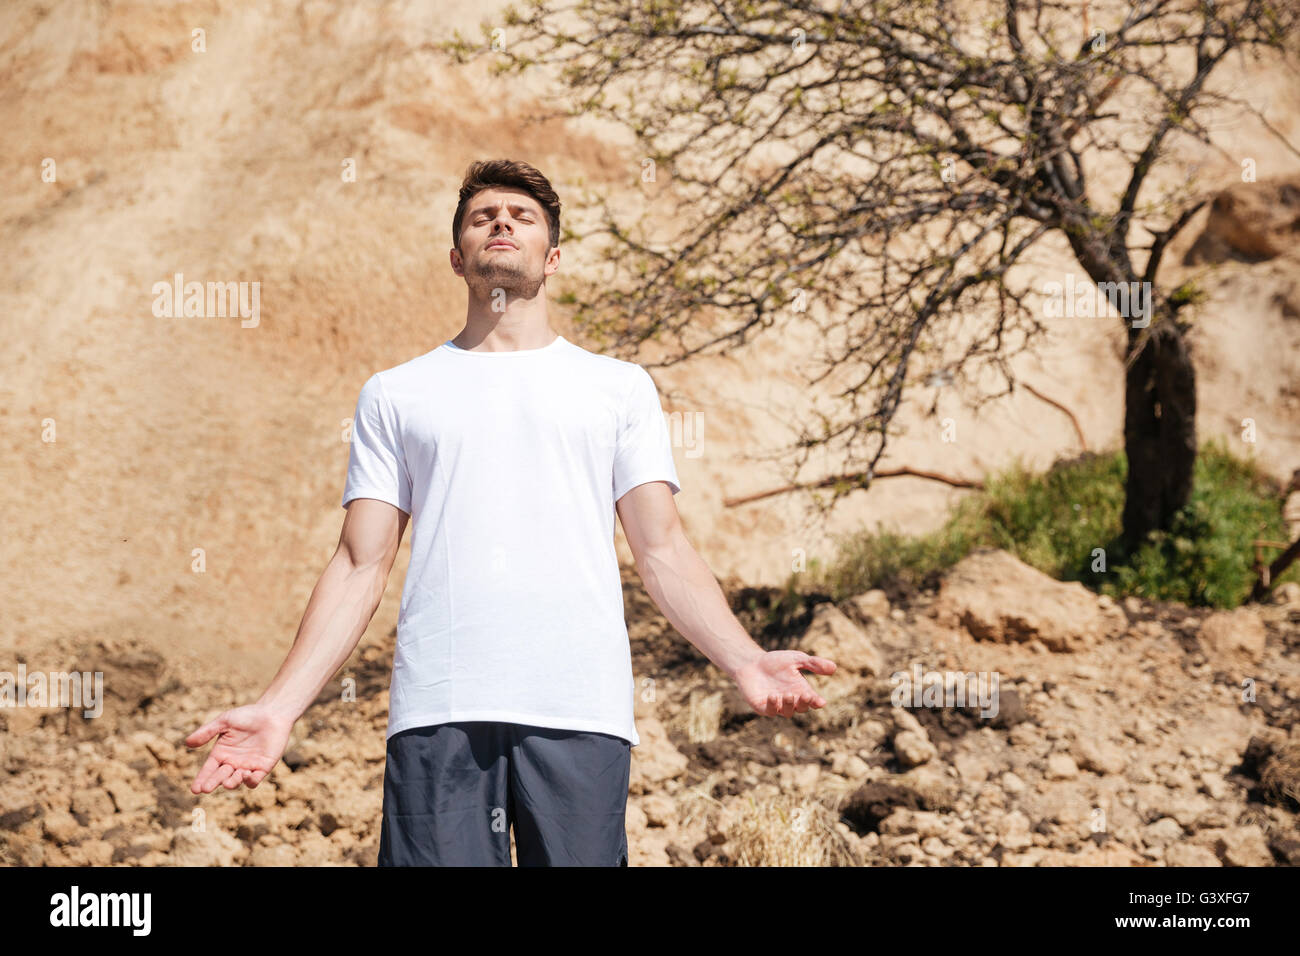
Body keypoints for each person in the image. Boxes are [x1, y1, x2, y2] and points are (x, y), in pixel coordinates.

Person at [185, 159, 837, 866]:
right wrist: (280, 706)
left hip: (579, 710)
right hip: (440, 710)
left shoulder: (617, 389)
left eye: (521, 216)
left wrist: (743, 659)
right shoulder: (397, 394)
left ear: (551, 258)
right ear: (457, 258)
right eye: (481, 216)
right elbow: (358, 564)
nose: (501, 222)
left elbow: (662, 549)